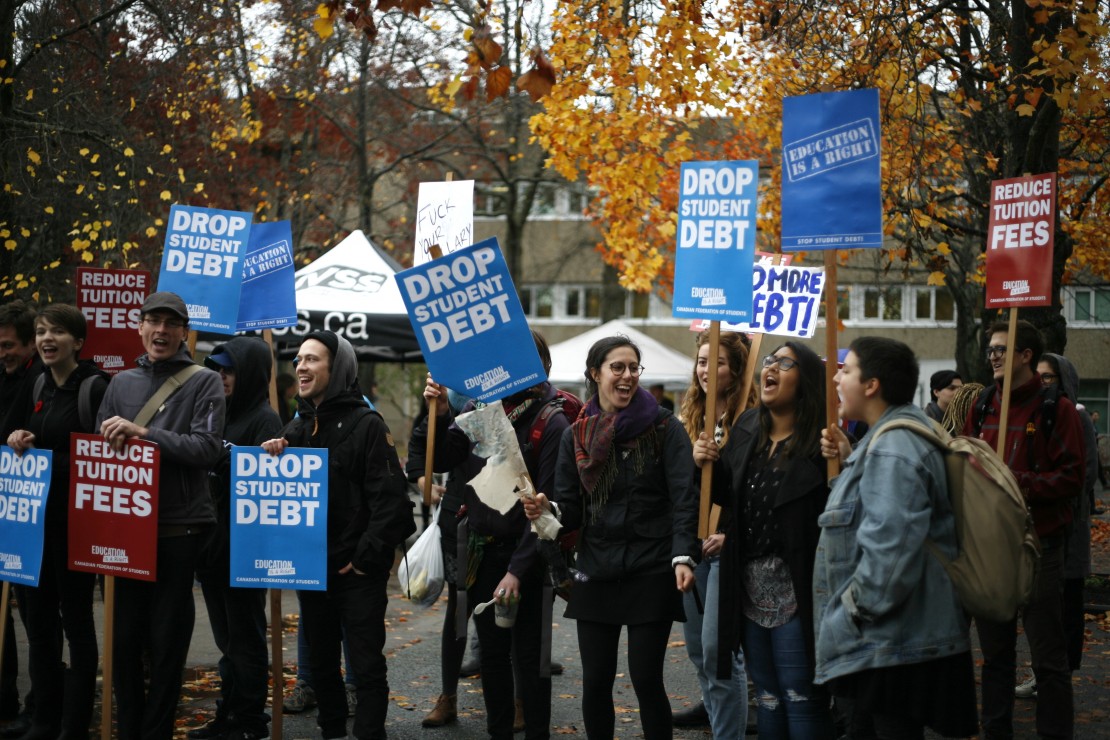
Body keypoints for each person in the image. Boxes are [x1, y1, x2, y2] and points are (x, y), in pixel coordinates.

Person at [524, 335, 698, 740]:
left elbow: (684, 497)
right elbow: (568, 510)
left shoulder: (665, 428)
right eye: (616, 367)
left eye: (633, 367)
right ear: (595, 374)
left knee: (645, 678)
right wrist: (546, 513)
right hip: (597, 568)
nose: (627, 376)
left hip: (652, 569)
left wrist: (683, 556)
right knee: (596, 680)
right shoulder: (576, 435)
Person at [816, 337, 977, 738]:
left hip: (891, 646)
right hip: (892, 643)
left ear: (871, 385)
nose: (836, 377)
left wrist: (851, 612)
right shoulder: (890, 438)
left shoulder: (894, 447)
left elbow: (890, 552)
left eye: (846, 370)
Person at [261, 330, 414, 740]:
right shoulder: (295, 427)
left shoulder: (367, 425)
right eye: (298, 360)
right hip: (314, 571)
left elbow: (391, 502)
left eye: (313, 359)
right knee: (323, 667)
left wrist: (364, 560)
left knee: (365, 667)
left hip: (356, 574)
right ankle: (331, 732)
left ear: (338, 367)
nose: (301, 366)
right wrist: (275, 454)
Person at [417, 329, 565, 738]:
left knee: (530, 659)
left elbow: (547, 510)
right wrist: (441, 410)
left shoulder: (552, 420)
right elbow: (445, 455)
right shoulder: (482, 410)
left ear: (540, 366)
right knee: (493, 661)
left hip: (529, 560)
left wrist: (517, 571)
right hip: (483, 554)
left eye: (520, 358)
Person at [95, 291, 226, 740]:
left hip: (178, 528)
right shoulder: (120, 383)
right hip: (126, 531)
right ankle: (129, 728)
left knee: (167, 644)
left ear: (184, 332)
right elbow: (99, 451)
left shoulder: (204, 381)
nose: (162, 331)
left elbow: (206, 449)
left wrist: (145, 433)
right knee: (124, 641)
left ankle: (156, 733)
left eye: (172, 323)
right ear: (140, 326)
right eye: (154, 321)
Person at [699, 342, 835, 739]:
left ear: (806, 380)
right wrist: (704, 463)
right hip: (749, 589)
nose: (771, 367)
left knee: (800, 695)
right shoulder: (746, 430)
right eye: (769, 360)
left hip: (799, 589)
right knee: (770, 698)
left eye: (785, 362)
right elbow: (727, 497)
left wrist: (845, 458)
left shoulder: (824, 445)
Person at [963, 321, 1084, 739]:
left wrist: (1018, 483)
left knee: (1048, 660)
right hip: (989, 549)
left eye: (1001, 348)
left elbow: (1072, 478)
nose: (992, 356)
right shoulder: (982, 405)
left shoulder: (1056, 409)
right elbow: (966, 461)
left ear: (1026, 355)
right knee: (995, 658)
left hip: (1039, 549)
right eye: (990, 350)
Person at [6, 304, 109, 740]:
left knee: (78, 622)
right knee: (41, 624)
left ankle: (74, 724)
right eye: (42, 331)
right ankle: (44, 719)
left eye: (58, 332)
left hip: (77, 526)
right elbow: (23, 438)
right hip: (36, 526)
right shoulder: (38, 384)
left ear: (79, 342)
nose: (47, 339)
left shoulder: (95, 388)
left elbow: (104, 459)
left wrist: (50, 462)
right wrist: (18, 440)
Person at [189, 338, 283, 740]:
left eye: (229, 370)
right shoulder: (214, 415)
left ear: (250, 375)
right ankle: (229, 713)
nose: (221, 376)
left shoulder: (265, 421)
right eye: (217, 369)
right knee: (227, 641)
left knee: (245, 639)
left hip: (244, 553)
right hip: (211, 549)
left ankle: (249, 721)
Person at [672, 330, 753, 735]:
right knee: (699, 652)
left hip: (728, 549)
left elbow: (752, 491)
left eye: (717, 362)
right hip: (694, 550)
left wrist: (729, 533)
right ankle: (716, 713)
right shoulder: (689, 417)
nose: (706, 370)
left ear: (737, 371)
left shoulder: (751, 421)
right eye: (702, 361)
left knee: (720, 654)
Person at [1012, 353, 1096, 700]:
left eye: (1049, 377)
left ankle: (1057, 675)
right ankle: (1044, 673)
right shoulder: (1038, 413)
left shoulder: (1073, 416)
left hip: (1068, 526)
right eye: (1039, 376)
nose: (1043, 382)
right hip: (1039, 524)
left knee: (1064, 605)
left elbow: (1083, 474)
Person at [0, 299, 39, 738]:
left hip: (29, 512)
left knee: (34, 614)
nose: (3, 353)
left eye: (9, 345)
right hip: (2, 507)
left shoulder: (38, 383)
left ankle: (38, 702)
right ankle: (5, 692)